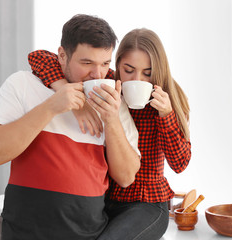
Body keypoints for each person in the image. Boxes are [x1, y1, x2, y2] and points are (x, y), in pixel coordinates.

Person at [0, 14, 141, 240]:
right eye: (87, 63)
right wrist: (51, 107)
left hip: (90, 234)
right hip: (24, 233)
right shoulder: (22, 84)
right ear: (62, 56)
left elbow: (125, 177)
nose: (97, 74)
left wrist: (111, 119)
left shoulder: (113, 101)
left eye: (104, 63)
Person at [28, 28, 191, 240]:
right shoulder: (109, 83)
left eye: (147, 73)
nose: (137, 79)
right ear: (117, 65)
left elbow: (180, 163)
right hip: (104, 199)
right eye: (129, 69)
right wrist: (63, 90)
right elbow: (39, 57)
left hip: (148, 204)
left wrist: (166, 115)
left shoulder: (170, 98)